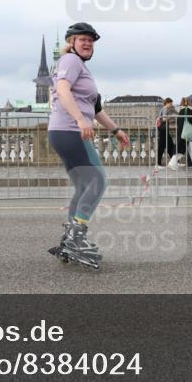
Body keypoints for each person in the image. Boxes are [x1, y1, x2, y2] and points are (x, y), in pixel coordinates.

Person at [47, 22, 130, 269]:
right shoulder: (70, 61)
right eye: (82, 39)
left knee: (84, 186)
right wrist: (80, 119)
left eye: (90, 40)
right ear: (71, 42)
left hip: (63, 131)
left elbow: (96, 109)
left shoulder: (80, 67)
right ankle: (76, 237)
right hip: (70, 131)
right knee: (98, 181)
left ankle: (70, 237)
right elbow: (62, 89)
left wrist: (115, 130)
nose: (87, 43)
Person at [170, 98, 192, 170]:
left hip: (183, 132)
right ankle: (171, 163)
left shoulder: (182, 110)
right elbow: (191, 121)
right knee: (181, 150)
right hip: (186, 133)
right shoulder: (188, 110)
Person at [155, 97, 177, 169]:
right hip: (163, 130)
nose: (171, 105)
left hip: (164, 130)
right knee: (162, 147)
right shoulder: (165, 109)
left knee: (170, 146)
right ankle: (158, 164)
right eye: (170, 103)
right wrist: (171, 116)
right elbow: (164, 119)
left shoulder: (163, 109)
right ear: (167, 103)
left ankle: (175, 162)